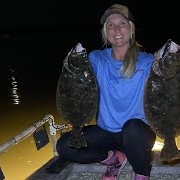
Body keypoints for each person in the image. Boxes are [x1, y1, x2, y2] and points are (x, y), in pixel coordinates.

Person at [55, 3, 156, 180]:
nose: (116, 29)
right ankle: (112, 158)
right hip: (106, 132)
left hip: (138, 135)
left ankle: (141, 173)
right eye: (111, 24)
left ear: (131, 29)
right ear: (105, 32)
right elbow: (81, 78)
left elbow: (166, 81)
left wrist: (169, 57)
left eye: (122, 23)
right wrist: (73, 63)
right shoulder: (97, 58)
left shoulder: (147, 61)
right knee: (64, 146)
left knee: (132, 127)